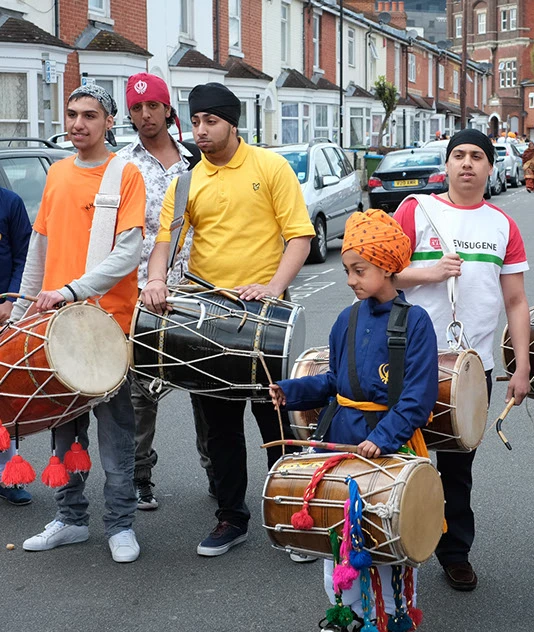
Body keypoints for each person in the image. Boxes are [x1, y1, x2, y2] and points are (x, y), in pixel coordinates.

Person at [141, 82, 315, 558]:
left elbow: (299, 236)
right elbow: (165, 243)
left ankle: (291, 519)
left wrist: (273, 288)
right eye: (195, 121)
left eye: (210, 121)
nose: (200, 130)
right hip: (207, 317)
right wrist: (156, 281)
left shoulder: (271, 167)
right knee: (219, 427)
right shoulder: (186, 181)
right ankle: (231, 517)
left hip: (265, 316)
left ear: (232, 123)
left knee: (276, 422)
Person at [271, 210, 439, 632]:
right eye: (347, 270)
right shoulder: (347, 319)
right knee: (337, 539)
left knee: (387, 541)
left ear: (386, 265)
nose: (350, 280)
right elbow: (333, 381)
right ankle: (346, 614)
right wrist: (291, 390)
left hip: (390, 447)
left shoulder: (415, 322)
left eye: (358, 270)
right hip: (341, 438)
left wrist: (383, 438)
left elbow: (418, 399)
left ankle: (393, 615)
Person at [392, 128, 531, 591]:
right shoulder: (416, 210)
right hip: (409, 360)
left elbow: (515, 300)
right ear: (446, 165)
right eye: (458, 155)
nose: (467, 162)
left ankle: (455, 553)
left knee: (456, 467)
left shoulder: (502, 225)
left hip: (474, 368)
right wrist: (430, 271)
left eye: (477, 156)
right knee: (395, 457)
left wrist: (521, 364)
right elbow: (381, 275)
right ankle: (391, 545)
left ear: (491, 167)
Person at [11, 84, 145, 563]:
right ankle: (69, 519)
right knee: (63, 430)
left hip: (107, 326)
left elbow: (129, 251)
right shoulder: (58, 175)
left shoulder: (124, 173)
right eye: (71, 114)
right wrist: (25, 311)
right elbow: (38, 250)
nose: (77, 124)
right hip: (54, 326)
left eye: (89, 115)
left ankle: (121, 525)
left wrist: (71, 290)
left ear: (109, 122)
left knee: (115, 436)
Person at [117, 72, 200, 512]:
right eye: (136, 108)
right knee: (140, 393)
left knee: (206, 386)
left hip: (198, 288)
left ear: (169, 110)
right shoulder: (122, 164)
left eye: (153, 107)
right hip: (140, 294)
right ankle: (140, 476)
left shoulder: (197, 160)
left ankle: (216, 473)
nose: (145, 115)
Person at [0, 186, 32, 506]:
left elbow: (26, 256)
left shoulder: (11, 203)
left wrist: (12, 300)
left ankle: (6, 475)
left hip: (3, 315)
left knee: (3, 397)